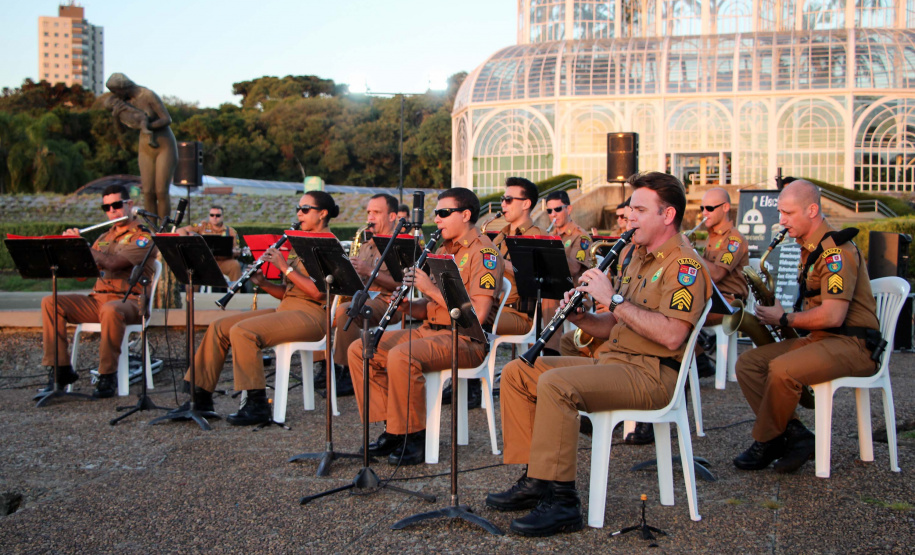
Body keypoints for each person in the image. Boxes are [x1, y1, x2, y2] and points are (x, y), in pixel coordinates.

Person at [485, 172, 711, 537]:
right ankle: (537, 478)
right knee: (518, 371)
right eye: (631, 208)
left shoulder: (685, 266)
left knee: (555, 384)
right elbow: (615, 326)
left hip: (653, 374)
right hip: (615, 362)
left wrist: (614, 299)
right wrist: (583, 316)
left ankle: (563, 502)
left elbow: (671, 335)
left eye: (640, 209)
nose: (630, 216)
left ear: (667, 215)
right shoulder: (637, 257)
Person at [347, 187, 505, 465]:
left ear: (466, 215)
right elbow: (433, 307)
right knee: (362, 348)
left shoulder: (485, 253)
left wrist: (429, 288)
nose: (438, 219)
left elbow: (477, 315)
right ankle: (394, 429)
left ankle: (414, 437)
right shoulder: (444, 249)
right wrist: (408, 306)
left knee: (402, 355)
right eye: (436, 213)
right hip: (431, 330)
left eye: (444, 213)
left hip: (466, 339)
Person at [733, 180, 881, 474]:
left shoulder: (836, 253)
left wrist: (784, 319)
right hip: (822, 339)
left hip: (854, 345)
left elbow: (833, 315)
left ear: (812, 210)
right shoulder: (808, 248)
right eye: (780, 212)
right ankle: (795, 435)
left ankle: (768, 439)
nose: (781, 220)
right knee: (748, 364)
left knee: (781, 369)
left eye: (788, 213)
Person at [168, 192, 339, 426]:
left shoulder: (327, 245)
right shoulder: (302, 243)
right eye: (298, 208)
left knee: (244, 331)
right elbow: (289, 293)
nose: (299, 213)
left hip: (314, 316)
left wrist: (284, 267)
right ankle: (199, 397)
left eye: (305, 209)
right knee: (220, 326)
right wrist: (264, 283)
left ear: (322, 213)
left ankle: (257, 404)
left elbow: (319, 292)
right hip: (289, 309)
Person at [40, 185, 158, 398]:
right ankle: (60, 370)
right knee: (51, 302)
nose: (111, 211)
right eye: (107, 207)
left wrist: (85, 247)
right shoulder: (104, 236)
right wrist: (71, 249)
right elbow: (82, 275)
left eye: (116, 205)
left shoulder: (143, 236)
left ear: (129, 204)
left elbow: (113, 264)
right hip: (97, 300)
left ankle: (107, 375)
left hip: (130, 300)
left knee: (112, 310)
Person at [323, 193, 400, 396]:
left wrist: (367, 271)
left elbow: (403, 285)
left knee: (344, 311)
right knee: (331, 309)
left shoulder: (401, 245)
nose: (370, 217)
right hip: (366, 298)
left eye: (376, 212)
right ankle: (326, 367)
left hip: (390, 302)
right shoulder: (367, 245)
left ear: (392, 216)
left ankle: (346, 371)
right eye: (369, 212)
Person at [106, 73, 178, 221]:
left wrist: (146, 125)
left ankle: (163, 232)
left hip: (163, 145)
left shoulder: (148, 95)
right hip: (145, 146)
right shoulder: (124, 103)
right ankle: (152, 229)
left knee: (161, 191)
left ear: (123, 87)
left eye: (115, 91)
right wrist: (116, 117)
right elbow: (122, 132)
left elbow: (167, 119)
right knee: (148, 191)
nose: (115, 95)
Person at [540, 190, 591, 355]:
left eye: (557, 209)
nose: (553, 214)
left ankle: (550, 351)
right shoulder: (550, 235)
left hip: (577, 292)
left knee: (549, 297)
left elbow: (575, 268)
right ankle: (532, 343)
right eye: (549, 211)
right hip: (555, 287)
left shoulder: (581, 237)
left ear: (568, 209)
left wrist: (553, 252)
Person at [491, 177, 543, 336]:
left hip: (519, 314)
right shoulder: (500, 236)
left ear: (526, 204)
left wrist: (497, 259)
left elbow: (534, 276)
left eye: (508, 200)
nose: (503, 204)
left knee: (470, 319)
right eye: (503, 199)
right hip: (494, 307)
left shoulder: (537, 236)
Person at [177, 205, 242, 283]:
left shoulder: (231, 231)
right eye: (212, 215)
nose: (214, 217)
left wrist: (234, 252)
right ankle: (191, 294)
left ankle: (235, 292)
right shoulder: (202, 226)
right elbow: (180, 230)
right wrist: (187, 242)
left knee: (235, 265)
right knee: (192, 267)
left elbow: (236, 249)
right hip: (204, 262)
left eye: (217, 215)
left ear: (222, 217)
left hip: (222, 262)